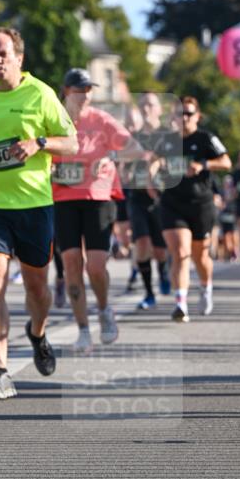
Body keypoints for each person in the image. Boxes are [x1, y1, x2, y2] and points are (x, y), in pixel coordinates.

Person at [0, 27, 78, 400]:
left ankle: (37, 332)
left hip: (34, 206)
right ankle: (0, 372)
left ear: (19, 58)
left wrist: (39, 142)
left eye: (4, 54)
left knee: (38, 289)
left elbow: (71, 142)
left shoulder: (41, 94)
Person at [52, 68, 151, 354]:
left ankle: (105, 309)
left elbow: (136, 149)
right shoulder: (52, 120)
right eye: (79, 90)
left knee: (95, 266)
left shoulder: (102, 120)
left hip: (99, 196)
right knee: (71, 264)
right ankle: (83, 329)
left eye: (89, 90)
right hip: (63, 198)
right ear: (66, 91)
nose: (85, 95)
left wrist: (111, 155)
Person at [159, 96, 231, 321]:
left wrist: (203, 165)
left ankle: (205, 287)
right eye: (179, 113)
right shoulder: (166, 140)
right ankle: (180, 303)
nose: (184, 118)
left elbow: (226, 162)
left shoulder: (206, 138)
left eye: (188, 113)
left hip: (201, 204)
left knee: (200, 257)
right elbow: (152, 158)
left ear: (197, 116)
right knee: (180, 252)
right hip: (172, 203)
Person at [126, 92, 172, 310]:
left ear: (159, 109)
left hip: (162, 198)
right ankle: (148, 293)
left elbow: (172, 160)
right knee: (142, 243)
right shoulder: (132, 137)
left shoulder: (168, 135)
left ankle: (163, 270)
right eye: (142, 104)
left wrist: (155, 164)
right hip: (137, 198)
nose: (146, 108)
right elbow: (124, 166)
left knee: (160, 249)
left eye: (150, 104)